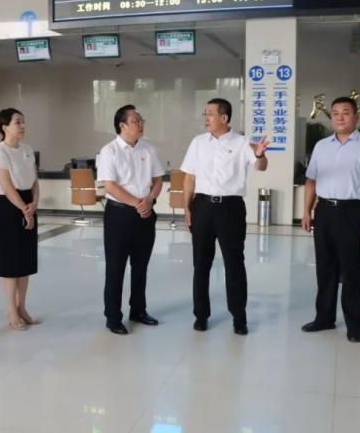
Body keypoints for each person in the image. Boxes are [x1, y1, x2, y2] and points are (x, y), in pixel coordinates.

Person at [301, 96, 360, 343]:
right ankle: (324, 318)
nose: (340, 117)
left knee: (352, 269)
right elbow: (311, 181)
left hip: (353, 211)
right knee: (325, 268)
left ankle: (354, 324)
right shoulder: (321, 146)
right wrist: (306, 211)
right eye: (335, 113)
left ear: (356, 117)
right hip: (324, 210)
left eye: (346, 112)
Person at [181, 98, 269, 335]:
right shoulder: (198, 142)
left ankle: (239, 317)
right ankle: (201, 315)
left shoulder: (242, 142)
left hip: (230, 208)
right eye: (205, 113)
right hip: (202, 206)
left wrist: (260, 155)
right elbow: (189, 177)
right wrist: (187, 208)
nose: (206, 118)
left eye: (210, 113)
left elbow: (260, 166)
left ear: (224, 117)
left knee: (234, 263)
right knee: (201, 264)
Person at [97, 105, 164, 335]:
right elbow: (110, 185)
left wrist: (150, 201)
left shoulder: (148, 149)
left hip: (145, 214)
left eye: (141, 120)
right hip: (119, 215)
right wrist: (138, 203)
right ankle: (113, 317)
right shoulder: (109, 151)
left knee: (140, 267)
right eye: (136, 120)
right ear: (122, 125)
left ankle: (138, 310)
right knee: (115, 267)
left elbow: (158, 180)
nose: (141, 124)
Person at [0, 108, 40, 331]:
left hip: (28, 203)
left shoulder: (27, 150)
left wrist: (34, 204)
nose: (22, 126)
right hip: (9, 207)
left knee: (25, 260)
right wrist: (24, 210)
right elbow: (7, 186)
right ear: (5, 127)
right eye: (17, 122)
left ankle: (22, 307)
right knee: (10, 261)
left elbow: (34, 181)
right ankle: (11, 310)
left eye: (23, 121)